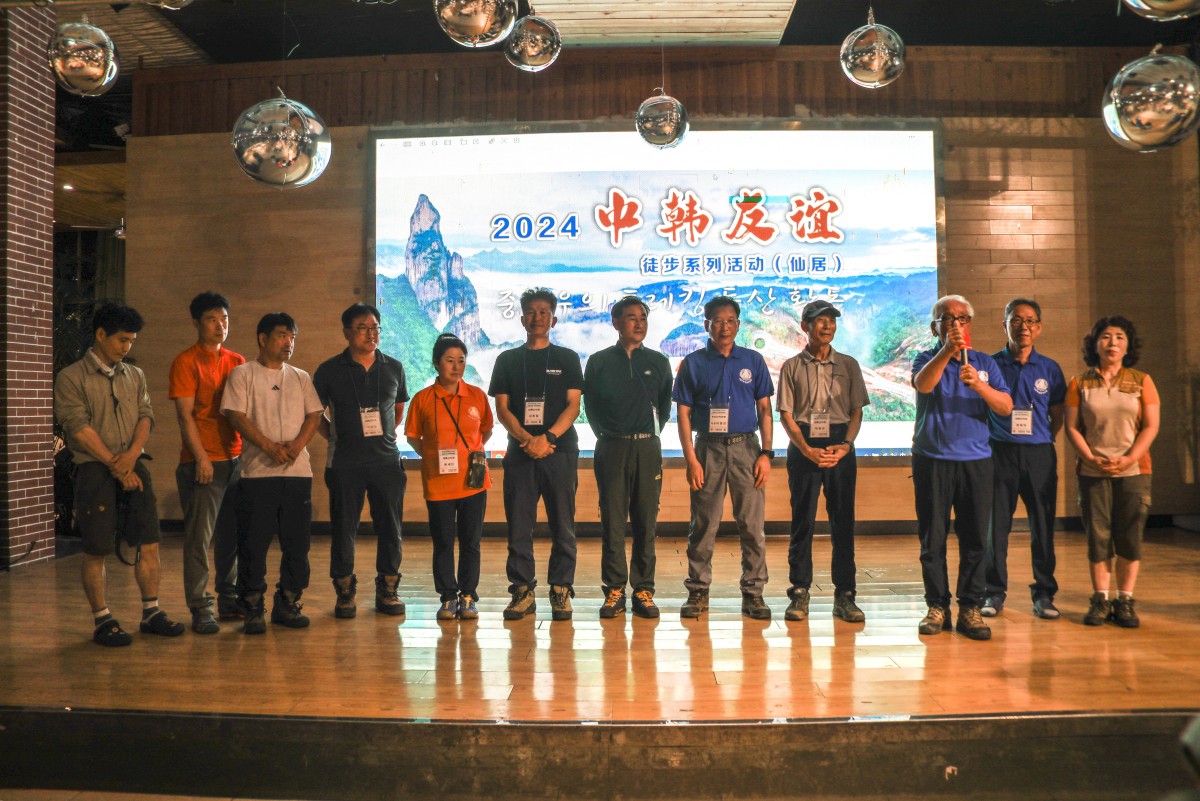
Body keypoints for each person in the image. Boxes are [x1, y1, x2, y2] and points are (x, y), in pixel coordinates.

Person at [54, 303, 184, 646]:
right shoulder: (71, 377)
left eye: (131, 341)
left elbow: (146, 416)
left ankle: (152, 611)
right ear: (101, 334)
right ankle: (102, 619)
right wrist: (116, 464)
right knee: (96, 548)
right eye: (122, 340)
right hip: (93, 468)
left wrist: (130, 457)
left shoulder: (134, 375)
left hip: (133, 464)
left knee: (149, 541)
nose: (127, 347)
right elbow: (77, 427)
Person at [911, 295, 1012, 641]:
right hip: (933, 460)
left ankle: (970, 606)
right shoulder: (926, 358)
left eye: (962, 318)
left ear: (970, 324)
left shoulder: (985, 363)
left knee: (975, 539)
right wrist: (948, 352)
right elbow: (924, 384)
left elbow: (1005, 406)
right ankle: (937, 606)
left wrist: (980, 385)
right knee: (933, 538)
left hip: (976, 461)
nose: (956, 324)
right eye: (948, 319)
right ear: (934, 327)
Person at [673, 296, 775, 620]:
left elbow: (764, 409)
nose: (724, 327)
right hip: (708, 449)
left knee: (752, 525)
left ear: (738, 325)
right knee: (703, 524)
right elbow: (683, 414)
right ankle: (698, 591)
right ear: (707, 324)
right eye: (718, 321)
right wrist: (691, 459)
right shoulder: (693, 363)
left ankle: (754, 594)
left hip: (747, 448)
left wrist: (767, 454)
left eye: (730, 321)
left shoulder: (753, 360)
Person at [220, 313, 323, 634]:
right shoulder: (242, 374)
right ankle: (252, 606)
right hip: (257, 474)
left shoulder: (301, 377)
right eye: (282, 335)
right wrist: (269, 447)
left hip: (297, 472)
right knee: (254, 543)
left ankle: (288, 602)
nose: (288, 342)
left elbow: (314, 415)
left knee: (297, 544)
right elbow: (236, 416)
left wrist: (296, 447)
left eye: (292, 337)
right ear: (262, 339)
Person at [488, 288, 583, 621]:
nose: (537, 317)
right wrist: (529, 440)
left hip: (560, 451)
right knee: (519, 525)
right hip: (520, 453)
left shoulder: (567, 358)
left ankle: (560, 589)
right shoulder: (507, 360)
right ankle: (522, 591)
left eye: (544, 312)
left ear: (553, 319)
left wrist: (548, 438)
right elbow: (502, 409)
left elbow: (574, 406)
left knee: (563, 525)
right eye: (531, 311)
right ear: (522, 318)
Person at [313, 304, 409, 620]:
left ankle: (388, 588)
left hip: (386, 462)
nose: (371, 334)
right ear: (347, 332)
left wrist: (383, 438)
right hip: (345, 463)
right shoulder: (329, 370)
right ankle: (345, 592)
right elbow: (314, 414)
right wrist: (335, 436)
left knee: (391, 528)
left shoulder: (393, 367)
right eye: (363, 328)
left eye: (375, 327)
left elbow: (397, 410)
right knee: (344, 529)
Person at [776, 299, 869, 623]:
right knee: (802, 521)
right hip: (804, 445)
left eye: (831, 320)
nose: (827, 325)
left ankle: (845, 595)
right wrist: (805, 449)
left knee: (843, 522)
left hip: (840, 445)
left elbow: (856, 411)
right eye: (820, 320)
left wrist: (846, 445)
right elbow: (786, 415)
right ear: (805, 326)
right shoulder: (791, 366)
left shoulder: (849, 364)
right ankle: (799, 592)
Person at [1064, 316, 1160, 629]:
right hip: (1092, 473)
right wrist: (1090, 458)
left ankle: (1125, 600)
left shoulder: (1142, 380)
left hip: (1134, 472)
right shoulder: (1079, 383)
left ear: (1128, 345)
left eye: (1119, 337)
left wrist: (1130, 457)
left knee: (1130, 537)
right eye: (1105, 337)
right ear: (1094, 344)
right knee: (1098, 536)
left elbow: (1151, 426)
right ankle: (1100, 599)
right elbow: (1071, 427)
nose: (1112, 343)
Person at [583, 295, 673, 619]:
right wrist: (608, 436)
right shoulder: (599, 361)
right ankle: (615, 590)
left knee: (646, 521)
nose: (638, 323)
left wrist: (646, 435)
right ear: (616, 322)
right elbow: (591, 407)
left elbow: (664, 407)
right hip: (611, 447)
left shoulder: (659, 362)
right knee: (613, 522)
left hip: (647, 448)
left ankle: (644, 590)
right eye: (631, 317)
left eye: (643, 318)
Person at [169, 291, 246, 634]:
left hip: (235, 459)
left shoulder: (236, 360)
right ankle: (201, 606)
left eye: (224, 319)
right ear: (196, 323)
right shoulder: (186, 361)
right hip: (202, 463)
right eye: (212, 319)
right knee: (199, 540)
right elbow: (185, 416)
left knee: (232, 536)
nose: (220, 325)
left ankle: (229, 599)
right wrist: (201, 457)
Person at [985, 298, 1067, 620]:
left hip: (1039, 455)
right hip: (999, 453)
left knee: (1042, 525)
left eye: (1030, 321)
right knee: (996, 527)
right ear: (1005, 325)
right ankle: (993, 592)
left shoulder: (1050, 368)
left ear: (1039, 327)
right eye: (1016, 320)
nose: (1024, 326)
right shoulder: (990, 365)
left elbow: (1057, 413)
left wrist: (1043, 439)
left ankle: (1044, 594)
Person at [404, 333, 493, 621]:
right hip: (438, 482)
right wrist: (432, 455)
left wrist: (469, 453)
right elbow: (413, 437)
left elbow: (486, 430)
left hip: (473, 482)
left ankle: (468, 596)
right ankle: (447, 597)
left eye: (461, 361)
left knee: (471, 542)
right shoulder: (423, 399)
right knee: (443, 542)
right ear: (436, 363)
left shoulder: (477, 396)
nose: (456, 367)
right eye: (450, 361)